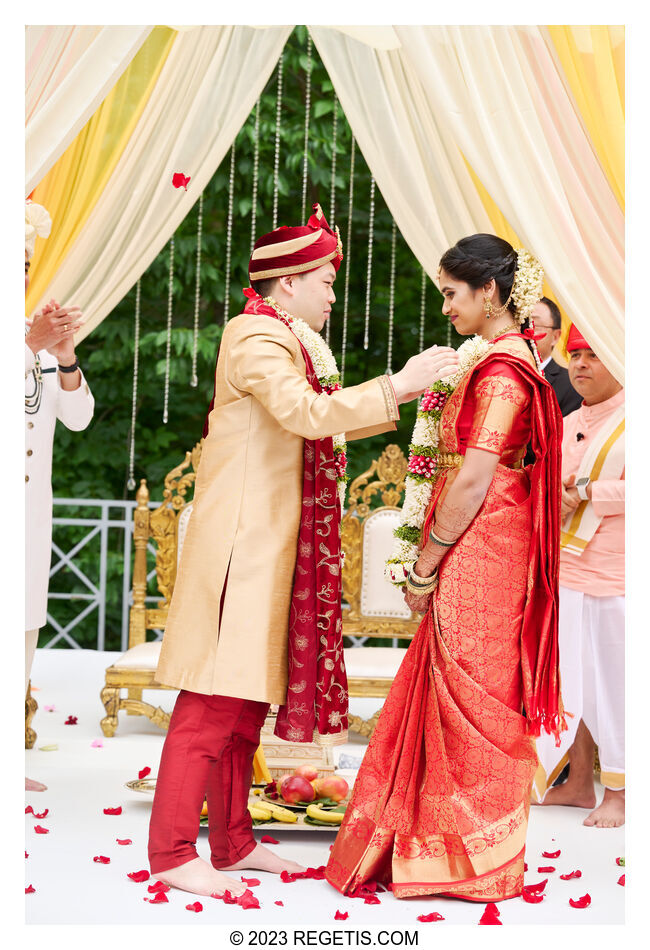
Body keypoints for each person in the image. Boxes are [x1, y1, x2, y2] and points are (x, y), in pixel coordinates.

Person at [146, 204, 460, 898]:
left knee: (245, 706)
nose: (330, 293)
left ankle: (231, 844)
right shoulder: (256, 336)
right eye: (323, 279)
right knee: (210, 705)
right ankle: (171, 853)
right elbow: (305, 415)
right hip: (241, 547)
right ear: (287, 283)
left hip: (271, 546)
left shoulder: (286, 339)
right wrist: (400, 386)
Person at [326, 234, 564, 902]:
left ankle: (471, 860)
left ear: (489, 292)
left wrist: (426, 562)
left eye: (452, 294)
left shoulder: (498, 371)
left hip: (483, 544)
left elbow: (473, 480)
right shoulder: (504, 359)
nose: (446, 308)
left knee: (473, 694)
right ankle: (443, 852)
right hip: (494, 537)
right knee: (464, 685)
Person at [533, 325, 624, 828]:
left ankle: (622, 793)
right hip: (567, 569)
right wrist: (563, 494)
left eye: (594, 355)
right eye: (576, 355)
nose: (581, 365)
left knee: (617, 687)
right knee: (576, 684)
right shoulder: (568, 422)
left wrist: (587, 492)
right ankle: (579, 781)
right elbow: (553, 481)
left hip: (617, 575)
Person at [25, 199, 94, 791]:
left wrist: (64, 357)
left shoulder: (37, 343)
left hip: (28, 515)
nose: (21, 274)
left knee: (21, 630)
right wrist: (28, 346)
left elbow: (78, 417)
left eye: (26, 265)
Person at [533, 297, 581, 415]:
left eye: (534, 324)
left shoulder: (571, 385)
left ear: (555, 337)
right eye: (521, 324)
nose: (525, 331)